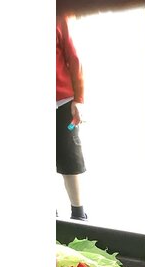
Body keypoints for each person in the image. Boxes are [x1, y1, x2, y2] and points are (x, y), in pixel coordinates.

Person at [56, 15, 88, 221]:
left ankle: (78, 215)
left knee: (69, 157)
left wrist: (78, 99)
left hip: (62, 102)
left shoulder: (58, 15)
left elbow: (73, 58)